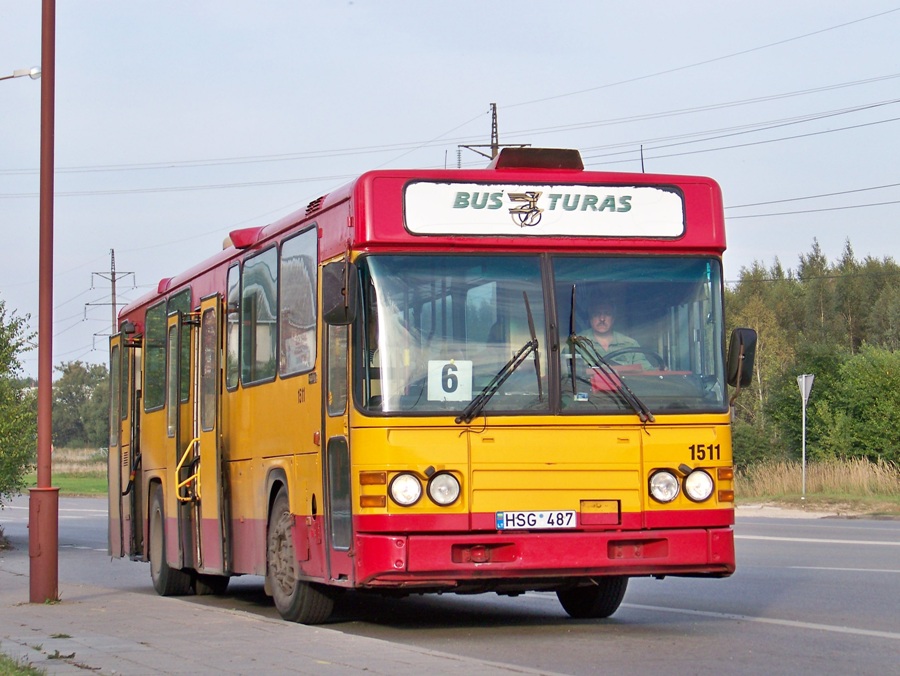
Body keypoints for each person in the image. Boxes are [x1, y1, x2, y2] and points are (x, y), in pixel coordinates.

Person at [583, 300, 651, 369]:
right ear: (590, 318)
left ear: (613, 319)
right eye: (596, 314)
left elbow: (647, 372)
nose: (602, 319)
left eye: (607, 314)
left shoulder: (630, 344)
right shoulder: (578, 344)